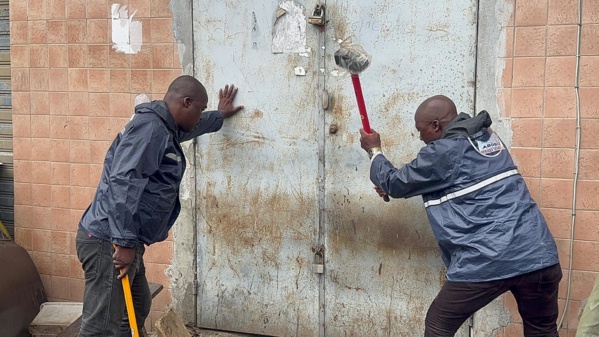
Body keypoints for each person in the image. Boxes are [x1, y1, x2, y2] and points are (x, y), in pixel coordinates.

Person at [359, 95, 561, 337]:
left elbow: (395, 182)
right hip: (539, 254)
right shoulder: (487, 139)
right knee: (542, 330)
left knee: (438, 325)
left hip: (489, 258)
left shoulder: (444, 150)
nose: (420, 138)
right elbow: (456, 180)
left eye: (420, 131)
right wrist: (404, 186)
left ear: (436, 125)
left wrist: (374, 150)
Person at [76, 75, 243, 336]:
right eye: (199, 109)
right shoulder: (150, 128)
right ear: (186, 103)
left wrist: (218, 116)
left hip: (122, 236)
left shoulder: (165, 126)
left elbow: (193, 128)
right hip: (108, 240)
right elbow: (124, 181)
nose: (200, 116)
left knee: (138, 303)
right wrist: (125, 242)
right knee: (100, 327)